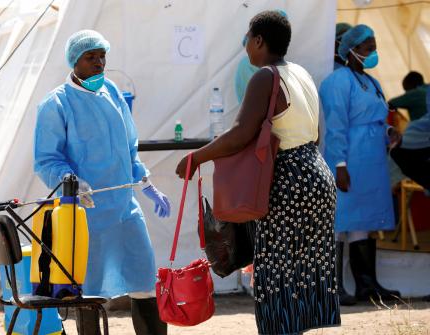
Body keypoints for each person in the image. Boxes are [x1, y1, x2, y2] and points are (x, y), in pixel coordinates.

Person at [176, 11, 340, 334]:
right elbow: (317, 132)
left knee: (276, 273)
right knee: (304, 270)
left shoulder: (265, 77)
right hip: (317, 175)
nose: (246, 47)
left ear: (259, 40)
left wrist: (197, 157)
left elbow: (240, 133)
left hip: (287, 180)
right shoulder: (301, 74)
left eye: (248, 40)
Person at [34, 30, 170, 335]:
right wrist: (70, 181)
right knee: (88, 293)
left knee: (146, 283)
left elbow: (128, 148)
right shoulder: (57, 104)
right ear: (74, 61)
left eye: (102, 56)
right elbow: (46, 159)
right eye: (90, 57)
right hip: (87, 217)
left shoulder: (111, 92)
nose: (99, 63)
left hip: (125, 211)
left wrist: (146, 184)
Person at [319, 24, 402, 305]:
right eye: (369, 49)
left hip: (371, 162)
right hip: (348, 160)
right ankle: (333, 286)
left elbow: (378, 118)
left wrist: (388, 132)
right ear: (351, 50)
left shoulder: (372, 82)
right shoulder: (338, 81)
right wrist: (340, 164)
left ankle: (368, 284)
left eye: (374, 48)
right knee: (340, 220)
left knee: (363, 221)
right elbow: (336, 126)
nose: (374, 53)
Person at [390, 87, 430, 193]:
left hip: (418, 141)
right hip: (420, 141)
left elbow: (390, 104)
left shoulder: (415, 93)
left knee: (396, 153)